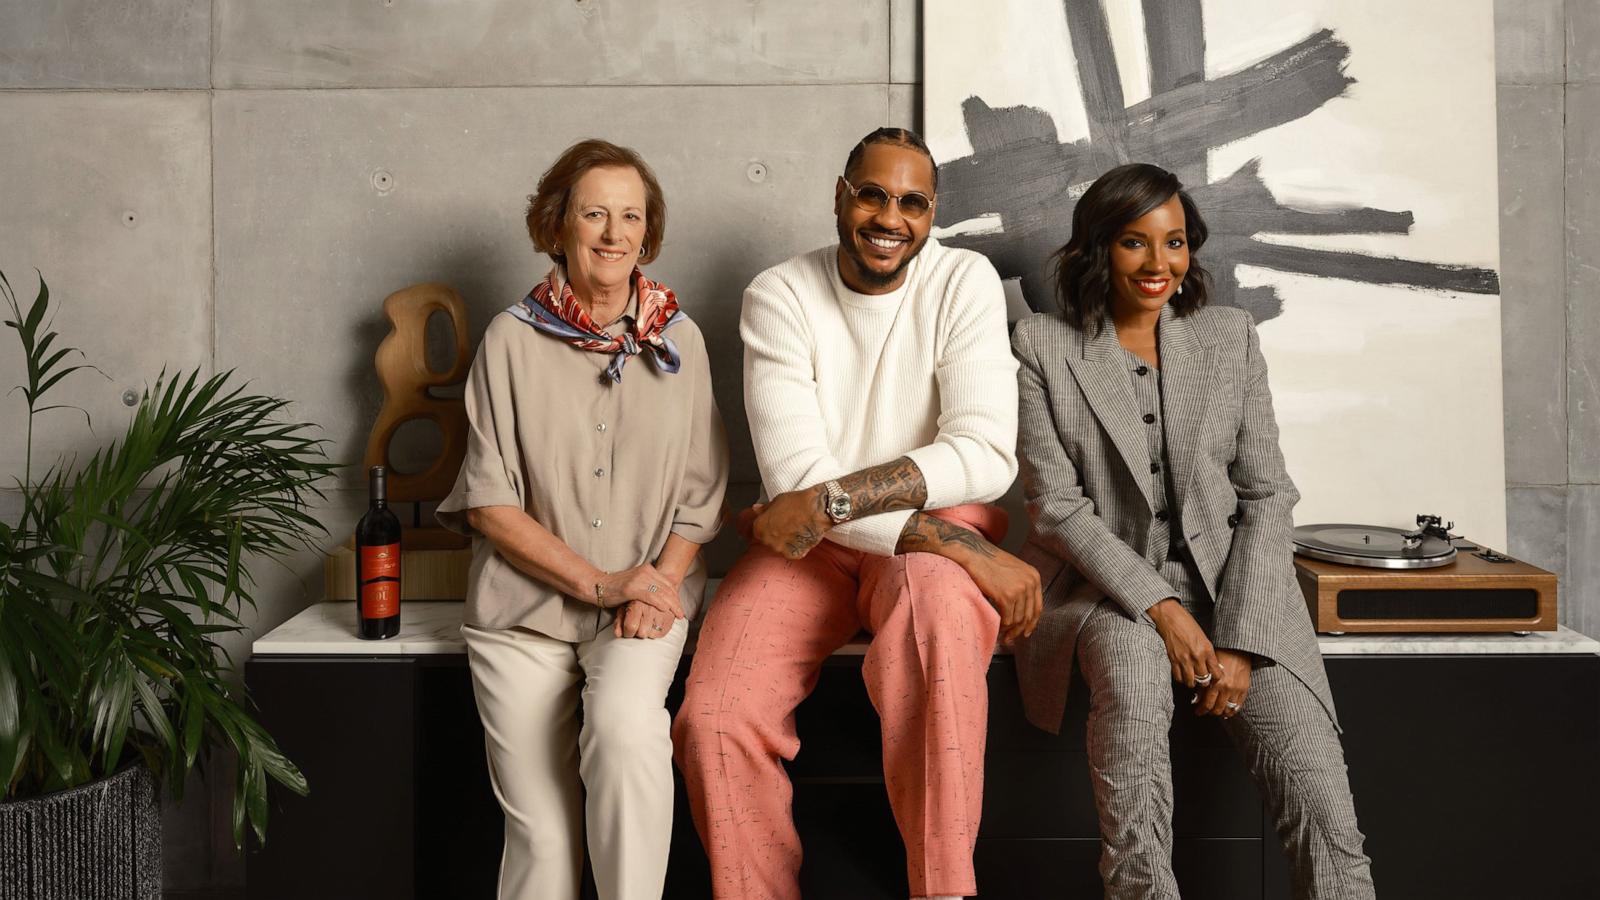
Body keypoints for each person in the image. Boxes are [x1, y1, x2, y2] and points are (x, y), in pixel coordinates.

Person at [671, 127, 1041, 900]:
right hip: (817, 553)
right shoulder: (779, 295)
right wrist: (964, 546)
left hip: (898, 547)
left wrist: (830, 503)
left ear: (932, 214)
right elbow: (792, 478)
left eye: (912, 202)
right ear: (841, 196)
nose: (889, 216)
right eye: (873, 193)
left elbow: (983, 455)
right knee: (712, 718)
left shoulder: (962, 281)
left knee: (939, 641)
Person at [1009, 162, 1375, 898]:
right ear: (1098, 248)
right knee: (1135, 716)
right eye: (1135, 243)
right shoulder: (1041, 346)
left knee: (1325, 813)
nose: (1159, 263)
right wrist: (1163, 610)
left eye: (1174, 243)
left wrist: (1238, 637)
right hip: (1110, 595)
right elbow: (1058, 507)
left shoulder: (1229, 337)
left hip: (1241, 591)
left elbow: (1267, 493)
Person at [436, 138, 729, 900]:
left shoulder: (682, 342)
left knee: (629, 734)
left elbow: (700, 497)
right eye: (594, 213)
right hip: (521, 615)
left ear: (648, 231)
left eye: (630, 216)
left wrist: (652, 587)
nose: (613, 233)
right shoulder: (509, 339)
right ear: (556, 225)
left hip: (644, 605)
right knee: (544, 834)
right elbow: (491, 504)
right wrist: (601, 583)